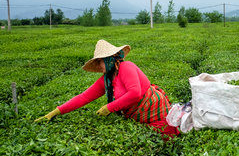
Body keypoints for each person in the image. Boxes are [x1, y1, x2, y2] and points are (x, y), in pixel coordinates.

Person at [35, 39, 180, 139]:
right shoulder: (108, 79)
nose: (98, 65)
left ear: (111, 59)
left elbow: (135, 93)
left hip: (158, 118)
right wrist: (57, 111)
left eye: (100, 61)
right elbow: (84, 97)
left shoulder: (126, 67)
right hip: (140, 119)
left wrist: (109, 107)